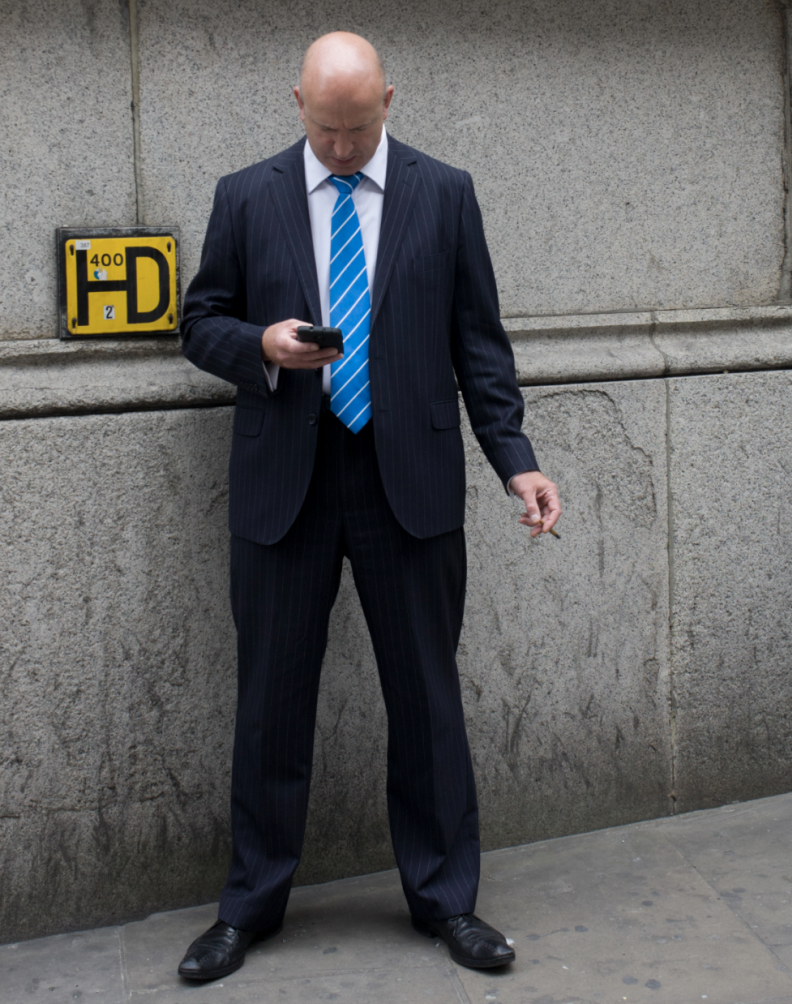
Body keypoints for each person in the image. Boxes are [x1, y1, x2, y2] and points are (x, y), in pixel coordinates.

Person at [177, 30, 561, 981]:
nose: (341, 149)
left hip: (409, 483)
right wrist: (262, 346)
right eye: (324, 128)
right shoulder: (247, 194)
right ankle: (250, 906)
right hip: (287, 487)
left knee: (427, 701)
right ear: (294, 103)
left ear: (389, 99)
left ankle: (447, 901)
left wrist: (516, 461)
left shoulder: (446, 193)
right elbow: (198, 322)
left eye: (356, 128)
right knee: (270, 705)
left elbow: (481, 344)